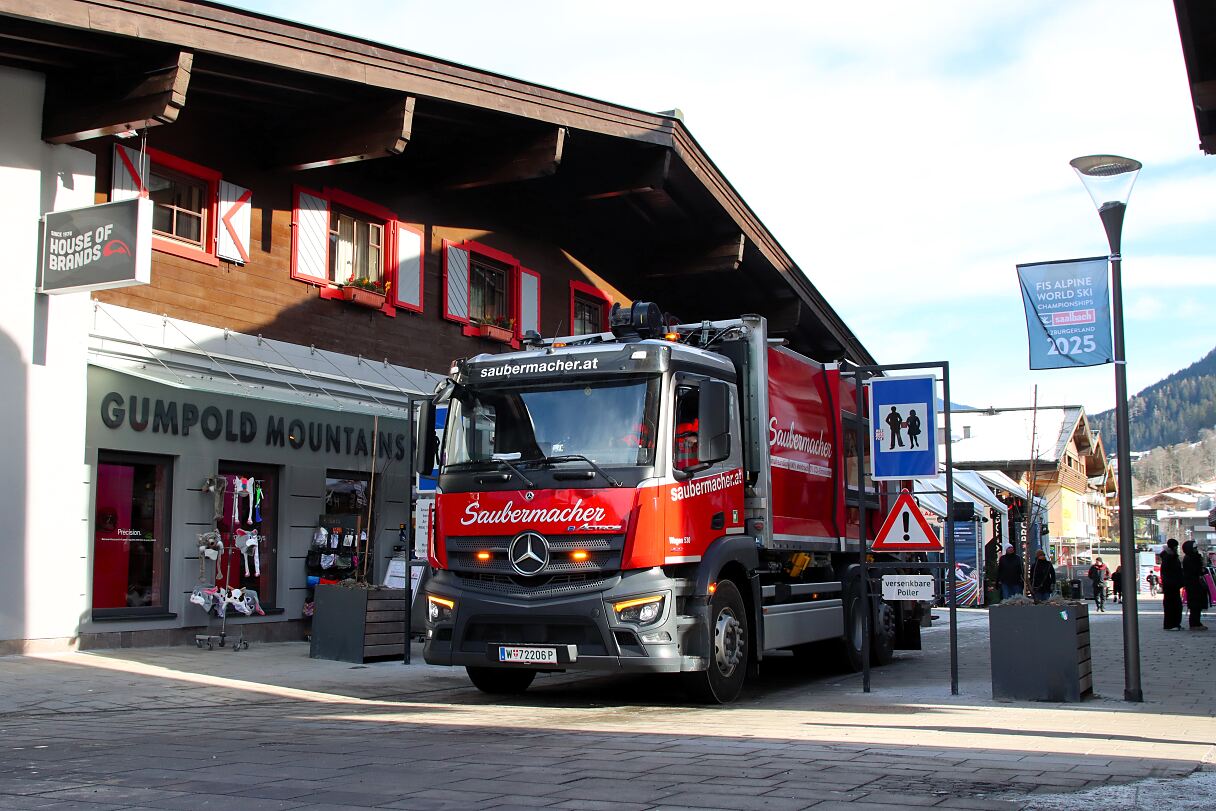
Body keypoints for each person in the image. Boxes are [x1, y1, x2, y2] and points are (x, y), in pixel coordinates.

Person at [1181, 540, 1209, 631]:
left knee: (1197, 604)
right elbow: (1195, 571)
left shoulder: (1193, 557)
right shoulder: (1190, 558)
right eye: (1194, 548)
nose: (1196, 550)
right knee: (1195, 605)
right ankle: (1194, 623)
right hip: (1193, 585)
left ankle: (1197, 622)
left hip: (1195, 584)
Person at [1160, 538, 1183, 631]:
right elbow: (1170, 572)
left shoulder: (1171, 556)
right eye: (1176, 546)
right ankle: (1171, 624)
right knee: (1172, 605)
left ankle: (1175, 623)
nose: (1176, 548)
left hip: (1172, 585)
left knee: (1175, 605)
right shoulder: (1169, 557)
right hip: (1171, 585)